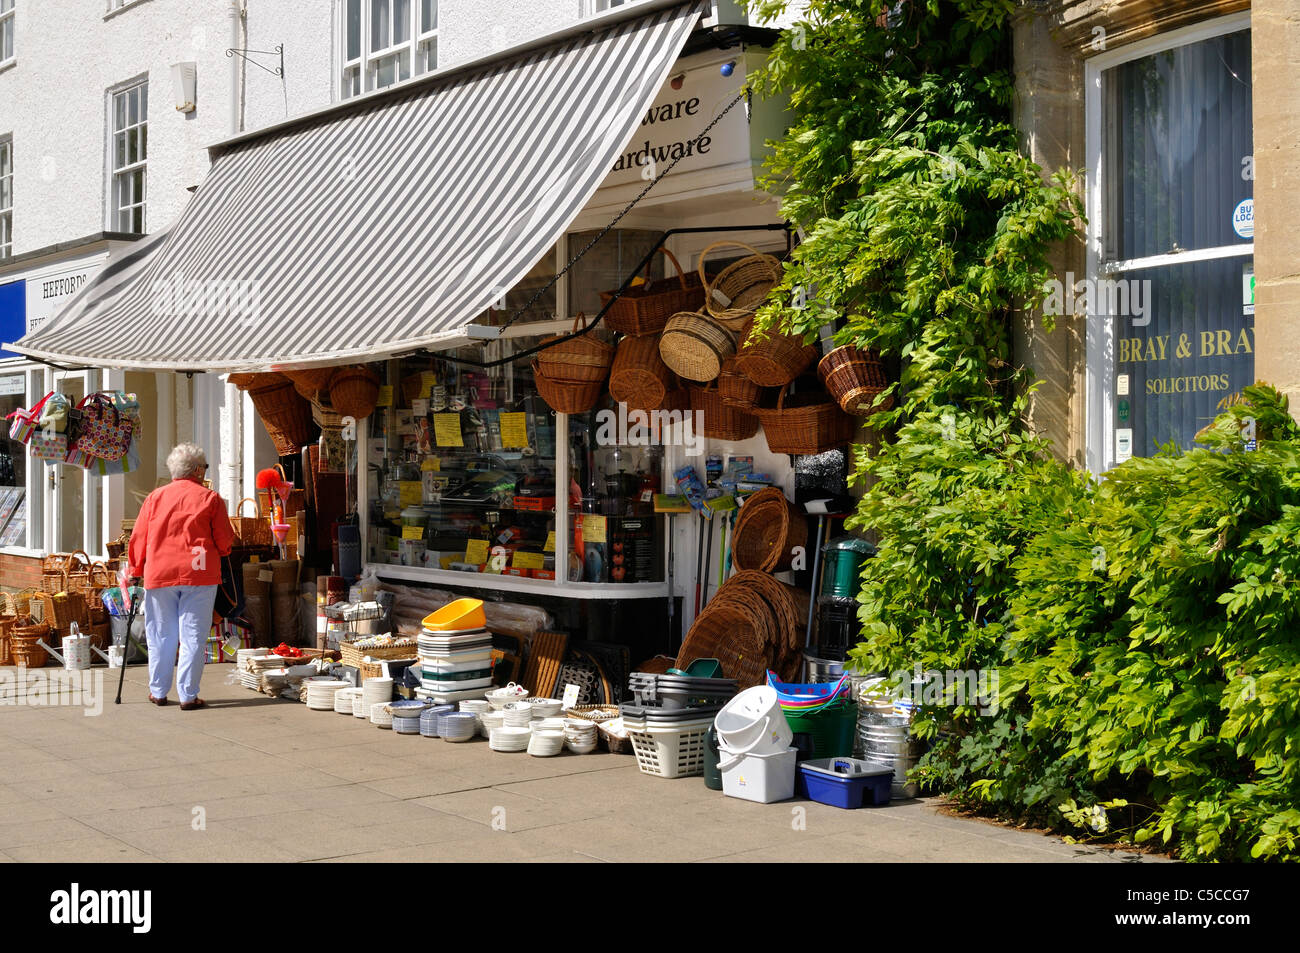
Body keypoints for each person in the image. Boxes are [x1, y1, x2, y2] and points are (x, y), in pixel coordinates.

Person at [126, 443, 235, 710]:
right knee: (193, 637)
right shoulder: (210, 499)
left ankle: (158, 691)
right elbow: (224, 543)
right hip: (198, 574)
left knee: (160, 634)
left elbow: (138, 537)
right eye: (205, 467)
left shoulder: (155, 498)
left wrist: (134, 570)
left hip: (159, 573)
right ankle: (187, 695)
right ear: (198, 470)